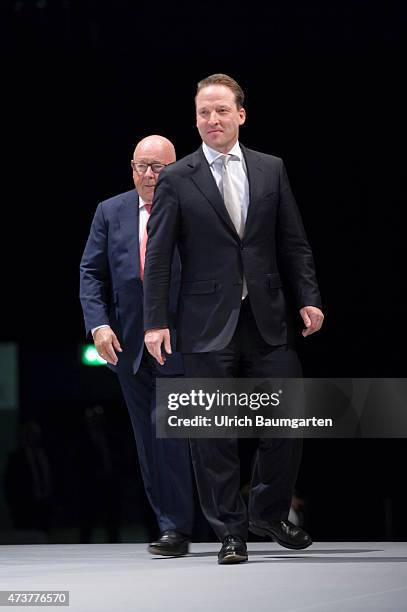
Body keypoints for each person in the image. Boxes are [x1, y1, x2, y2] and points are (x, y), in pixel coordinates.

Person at [143, 75, 324, 564]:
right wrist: (154, 321)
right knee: (212, 432)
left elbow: (293, 242)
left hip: (267, 317)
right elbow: (158, 257)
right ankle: (231, 532)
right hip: (204, 323)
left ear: (241, 115)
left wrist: (309, 297)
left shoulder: (271, 169)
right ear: (196, 119)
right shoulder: (177, 177)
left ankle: (267, 511)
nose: (212, 120)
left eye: (221, 110)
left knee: (289, 420)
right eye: (204, 113)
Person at [79, 135, 194, 556]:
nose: (149, 175)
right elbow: (91, 273)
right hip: (126, 347)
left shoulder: (191, 208)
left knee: (177, 434)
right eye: (141, 166)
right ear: (131, 168)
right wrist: (98, 326)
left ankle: (202, 524)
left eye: (158, 167)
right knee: (149, 439)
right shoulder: (110, 211)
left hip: (183, 342)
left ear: (175, 169)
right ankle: (172, 527)